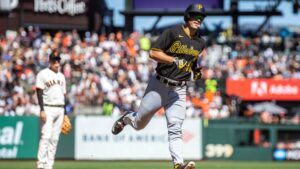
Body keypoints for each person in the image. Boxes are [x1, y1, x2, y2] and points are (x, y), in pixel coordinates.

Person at [112, 3, 206, 169]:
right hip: (160, 84)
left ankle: (178, 164)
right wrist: (173, 60)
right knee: (139, 124)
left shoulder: (200, 42)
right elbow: (153, 53)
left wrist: (196, 71)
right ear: (187, 17)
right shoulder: (173, 32)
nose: (198, 19)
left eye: (201, 17)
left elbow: (193, 64)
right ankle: (128, 117)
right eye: (195, 16)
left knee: (175, 128)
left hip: (179, 90)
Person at [36, 50, 67, 169]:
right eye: (54, 60)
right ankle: (41, 165)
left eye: (58, 60)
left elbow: (64, 96)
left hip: (60, 109)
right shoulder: (43, 74)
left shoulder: (62, 76)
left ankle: (49, 166)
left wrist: (66, 114)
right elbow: (39, 92)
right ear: (49, 61)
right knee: (45, 137)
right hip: (48, 108)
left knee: (54, 139)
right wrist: (42, 109)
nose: (56, 62)